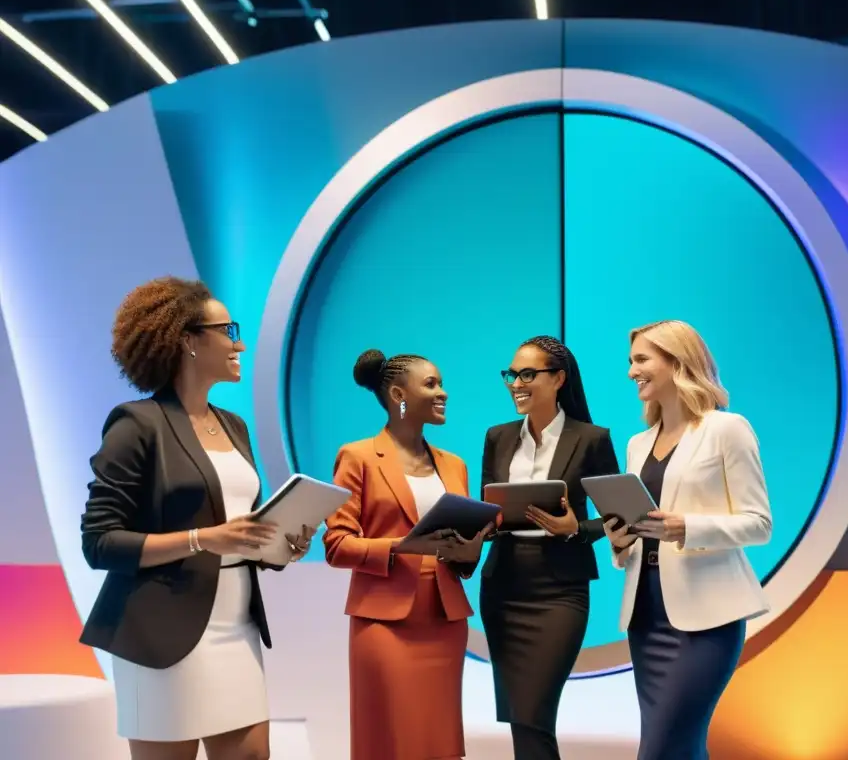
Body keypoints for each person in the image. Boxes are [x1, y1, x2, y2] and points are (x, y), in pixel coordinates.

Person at [79, 277, 314, 760]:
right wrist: (202, 539)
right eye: (228, 330)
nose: (239, 343)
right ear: (187, 340)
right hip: (162, 632)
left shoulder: (234, 425)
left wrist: (279, 545)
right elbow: (99, 542)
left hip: (237, 624)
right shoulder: (136, 423)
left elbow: (237, 528)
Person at [603, 320, 772, 760]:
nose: (630, 372)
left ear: (677, 361)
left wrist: (688, 528)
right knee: (681, 747)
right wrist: (620, 540)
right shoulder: (638, 444)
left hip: (706, 621)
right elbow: (641, 535)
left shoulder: (727, 429)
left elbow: (759, 523)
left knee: (662, 748)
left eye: (641, 359)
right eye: (630, 361)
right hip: (647, 612)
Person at [325, 349, 493, 760]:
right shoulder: (358, 456)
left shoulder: (454, 465)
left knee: (438, 742)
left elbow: (461, 557)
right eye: (431, 384)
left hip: (443, 618)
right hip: (383, 621)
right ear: (399, 394)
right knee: (390, 739)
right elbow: (337, 545)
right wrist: (405, 546)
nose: (444, 393)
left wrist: (470, 548)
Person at [479, 335, 620, 760]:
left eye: (527, 374)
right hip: (503, 586)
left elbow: (618, 516)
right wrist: (479, 525)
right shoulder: (497, 437)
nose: (515, 383)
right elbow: (487, 505)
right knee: (521, 714)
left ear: (559, 379)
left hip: (560, 591)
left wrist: (578, 526)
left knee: (535, 709)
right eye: (511, 374)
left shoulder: (592, 438)